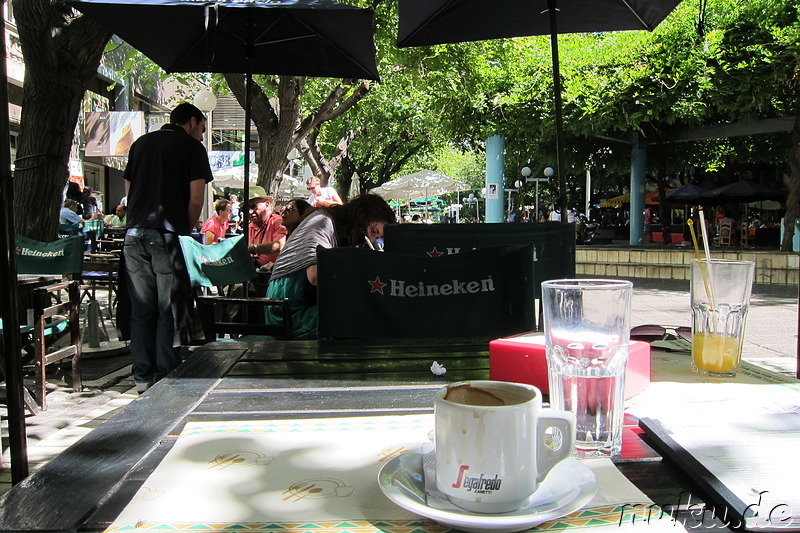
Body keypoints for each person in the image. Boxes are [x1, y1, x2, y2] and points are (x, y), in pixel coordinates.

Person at [122, 102, 213, 393]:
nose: (201, 135)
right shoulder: (192, 148)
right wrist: (184, 232)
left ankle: (141, 376)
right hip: (166, 233)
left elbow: (129, 192)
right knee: (167, 308)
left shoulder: (140, 144)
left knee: (141, 308)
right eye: (202, 129)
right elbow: (196, 200)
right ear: (192, 121)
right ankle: (163, 376)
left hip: (134, 232)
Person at [265, 193, 396, 340]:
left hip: (292, 304)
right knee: (365, 318)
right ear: (361, 219)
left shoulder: (329, 222)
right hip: (286, 311)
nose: (372, 239)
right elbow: (315, 276)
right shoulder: (323, 221)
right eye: (373, 231)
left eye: (377, 237)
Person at [247, 186, 288, 270]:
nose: (250, 212)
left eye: (252, 207)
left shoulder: (278, 222)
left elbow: (280, 245)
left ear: (267, 204)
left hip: (275, 273)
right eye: (246, 208)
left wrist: (254, 248)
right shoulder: (250, 226)